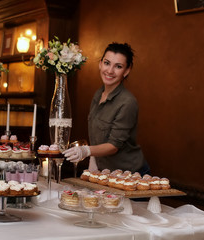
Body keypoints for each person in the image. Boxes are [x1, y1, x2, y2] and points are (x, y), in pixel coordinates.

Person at [64, 42, 150, 175]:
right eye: (107, 63)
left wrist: (86, 151)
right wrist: (93, 160)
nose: (110, 71)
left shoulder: (127, 102)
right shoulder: (99, 94)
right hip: (105, 172)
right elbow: (95, 135)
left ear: (126, 71)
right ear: (100, 64)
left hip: (130, 174)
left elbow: (113, 146)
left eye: (118, 66)